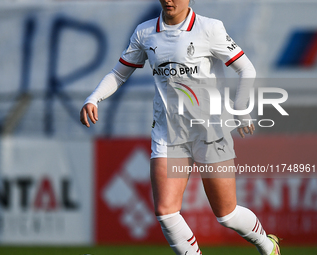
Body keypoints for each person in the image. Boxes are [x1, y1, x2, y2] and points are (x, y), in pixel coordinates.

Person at [80, 1, 281, 254]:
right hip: (168, 133)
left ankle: (267, 244)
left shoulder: (210, 28)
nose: (169, 0)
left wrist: (241, 109)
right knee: (165, 211)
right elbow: (119, 74)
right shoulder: (145, 32)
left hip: (210, 132)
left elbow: (246, 69)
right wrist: (93, 98)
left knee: (226, 215)